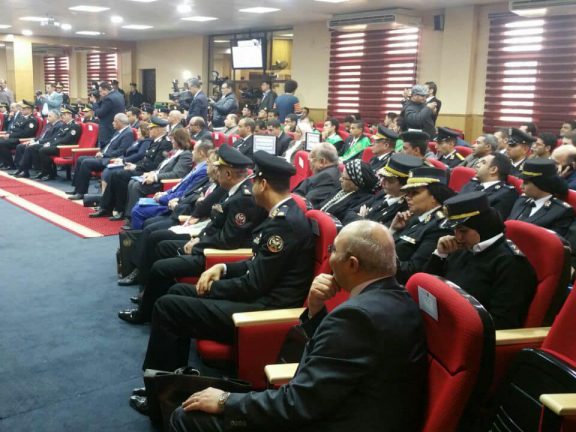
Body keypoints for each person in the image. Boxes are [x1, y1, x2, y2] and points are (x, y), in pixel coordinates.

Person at [168, 220, 427, 432]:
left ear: (352, 264)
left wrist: (227, 401)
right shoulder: (398, 299)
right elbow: (332, 366)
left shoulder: (358, 317)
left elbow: (299, 404)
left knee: (188, 417)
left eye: (334, 251)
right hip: (349, 409)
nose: (329, 257)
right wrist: (315, 310)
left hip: (334, 420)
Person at [133, 152, 316, 414]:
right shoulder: (281, 215)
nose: (251, 185)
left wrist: (212, 287)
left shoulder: (284, 224)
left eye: (254, 181)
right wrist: (224, 267)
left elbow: (254, 285)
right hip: (259, 296)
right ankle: (173, 378)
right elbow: (257, 263)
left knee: (168, 307)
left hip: (265, 310)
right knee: (177, 291)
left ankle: (158, 397)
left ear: (263, 184)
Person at [118, 144, 266, 323]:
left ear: (228, 174)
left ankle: (145, 313)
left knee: (160, 267)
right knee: (162, 246)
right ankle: (151, 298)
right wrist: (198, 238)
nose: (216, 173)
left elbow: (229, 241)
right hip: (210, 244)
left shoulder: (243, 198)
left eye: (219, 170)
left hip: (218, 254)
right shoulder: (234, 191)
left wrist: (199, 244)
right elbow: (215, 224)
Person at [425, 192, 537, 330]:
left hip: (464, 331)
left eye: (463, 231)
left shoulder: (511, 264)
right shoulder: (463, 247)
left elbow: (501, 322)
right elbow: (428, 288)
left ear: (482, 227)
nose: (458, 237)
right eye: (455, 230)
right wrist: (440, 254)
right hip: (439, 319)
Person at [91, 117, 173, 219]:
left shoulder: (165, 143)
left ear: (159, 129)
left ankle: (120, 210)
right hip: (143, 169)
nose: (149, 130)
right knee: (115, 174)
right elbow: (145, 159)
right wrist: (133, 165)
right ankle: (106, 207)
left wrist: (136, 167)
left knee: (119, 175)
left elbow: (155, 165)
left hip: (149, 173)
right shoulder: (155, 141)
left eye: (151, 128)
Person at [390, 167, 454, 284]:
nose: (408, 197)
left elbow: (413, 270)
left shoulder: (440, 227)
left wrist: (379, 259)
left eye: (414, 193)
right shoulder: (416, 217)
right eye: (407, 193)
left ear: (434, 196)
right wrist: (393, 230)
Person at [68, 113, 134, 199]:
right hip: (104, 156)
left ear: (119, 122)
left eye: (114, 121)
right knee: (80, 159)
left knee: (86, 162)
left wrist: (104, 154)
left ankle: (81, 192)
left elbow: (121, 151)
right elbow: (110, 144)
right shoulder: (119, 131)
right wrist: (101, 149)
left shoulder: (128, 133)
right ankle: (77, 189)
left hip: (110, 159)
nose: (112, 123)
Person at [507, 158, 574, 237]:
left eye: (526, 183)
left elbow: (552, 241)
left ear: (541, 183)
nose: (521, 186)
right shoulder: (521, 200)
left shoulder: (560, 211)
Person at [352, 153, 421, 226]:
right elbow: (352, 211)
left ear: (404, 184)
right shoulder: (384, 192)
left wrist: (362, 220)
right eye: (382, 176)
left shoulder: (405, 209)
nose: (382, 181)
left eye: (389, 179)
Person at [460, 152, 518, 219]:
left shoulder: (506, 195)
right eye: (478, 162)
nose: (477, 165)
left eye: (483, 163)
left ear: (493, 170)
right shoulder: (472, 183)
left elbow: (491, 221)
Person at [319, 159, 377, 224]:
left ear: (356, 184)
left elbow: (346, 221)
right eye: (341, 176)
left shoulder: (365, 199)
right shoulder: (342, 189)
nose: (340, 179)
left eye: (344, 178)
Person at [11, 110, 66, 178]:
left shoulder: (59, 125)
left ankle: (25, 170)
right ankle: (20, 168)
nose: (47, 118)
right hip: (41, 142)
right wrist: (32, 140)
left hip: (48, 144)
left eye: (50, 116)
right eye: (47, 116)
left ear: (56, 117)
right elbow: (41, 136)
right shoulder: (48, 124)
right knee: (20, 146)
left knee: (30, 148)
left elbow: (52, 139)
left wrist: (37, 142)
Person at [36, 106, 82, 181]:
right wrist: (49, 143)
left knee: (43, 150)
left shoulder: (75, 126)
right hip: (58, 146)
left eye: (64, 114)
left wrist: (51, 144)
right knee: (38, 147)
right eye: (62, 114)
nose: (62, 116)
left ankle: (49, 173)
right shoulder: (64, 125)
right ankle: (45, 172)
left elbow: (66, 140)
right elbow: (56, 137)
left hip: (66, 148)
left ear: (70, 115)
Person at [0, 100, 38, 169]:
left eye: (24, 109)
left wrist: (10, 135)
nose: (21, 110)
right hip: (13, 137)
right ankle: (3, 162)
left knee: (1, 143)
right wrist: (8, 133)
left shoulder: (32, 120)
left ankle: (10, 164)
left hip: (21, 139)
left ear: (29, 110)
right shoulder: (22, 117)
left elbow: (26, 133)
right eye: (22, 108)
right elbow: (12, 128)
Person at [291, 142, 341, 208]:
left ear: (322, 162)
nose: (310, 163)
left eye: (312, 159)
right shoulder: (330, 173)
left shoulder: (327, 178)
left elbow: (307, 203)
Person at [93, 81, 127, 147]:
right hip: (117, 127)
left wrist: (94, 103)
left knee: (104, 149)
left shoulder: (108, 99)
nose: (100, 94)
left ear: (105, 90)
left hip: (107, 129)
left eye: (100, 91)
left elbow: (99, 113)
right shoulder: (119, 94)